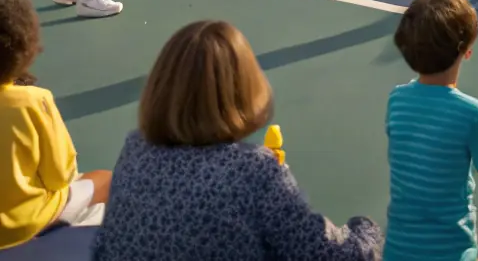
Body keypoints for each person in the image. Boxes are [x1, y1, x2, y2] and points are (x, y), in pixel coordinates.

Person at [93, 20, 381, 261]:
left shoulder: (135, 148)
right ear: (243, 90)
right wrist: (367, 230)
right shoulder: (255, 171)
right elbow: (330, 256)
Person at [384, 0, 478, 261]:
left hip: (398, 250)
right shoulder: (471, 112)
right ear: (465, 51)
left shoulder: (396, 100)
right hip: (453, 252)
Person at [0, 0, 110, 245]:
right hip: (22, 226)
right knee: (106, 180)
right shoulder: (34, 101)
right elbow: (60, 176)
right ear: (28, 51)